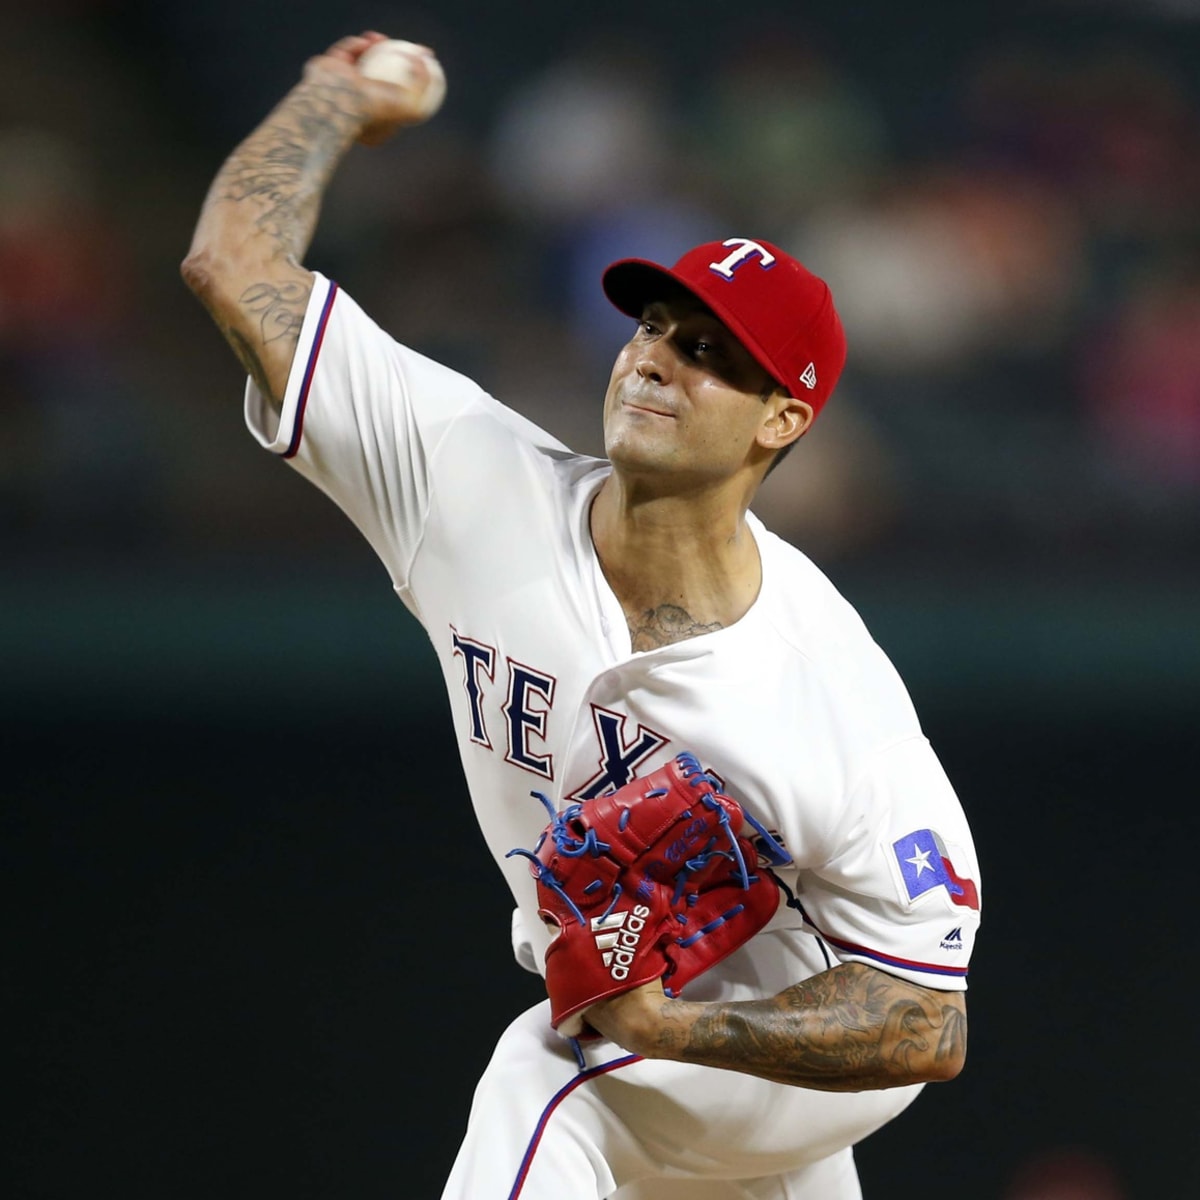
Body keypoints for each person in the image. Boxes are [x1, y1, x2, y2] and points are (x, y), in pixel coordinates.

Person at [181, 32, 982, 1200]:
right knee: (593, 1062)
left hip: (796, 1044)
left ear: (781, 422)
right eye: (655, 326)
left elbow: (923, 1024)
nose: (657, 360)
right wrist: (331, 96)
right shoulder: (471, 479)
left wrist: (672, 1028)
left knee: (544, 1071)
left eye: (710, 355)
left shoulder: (831, 689)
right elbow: (232, 262)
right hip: (676, 1061)